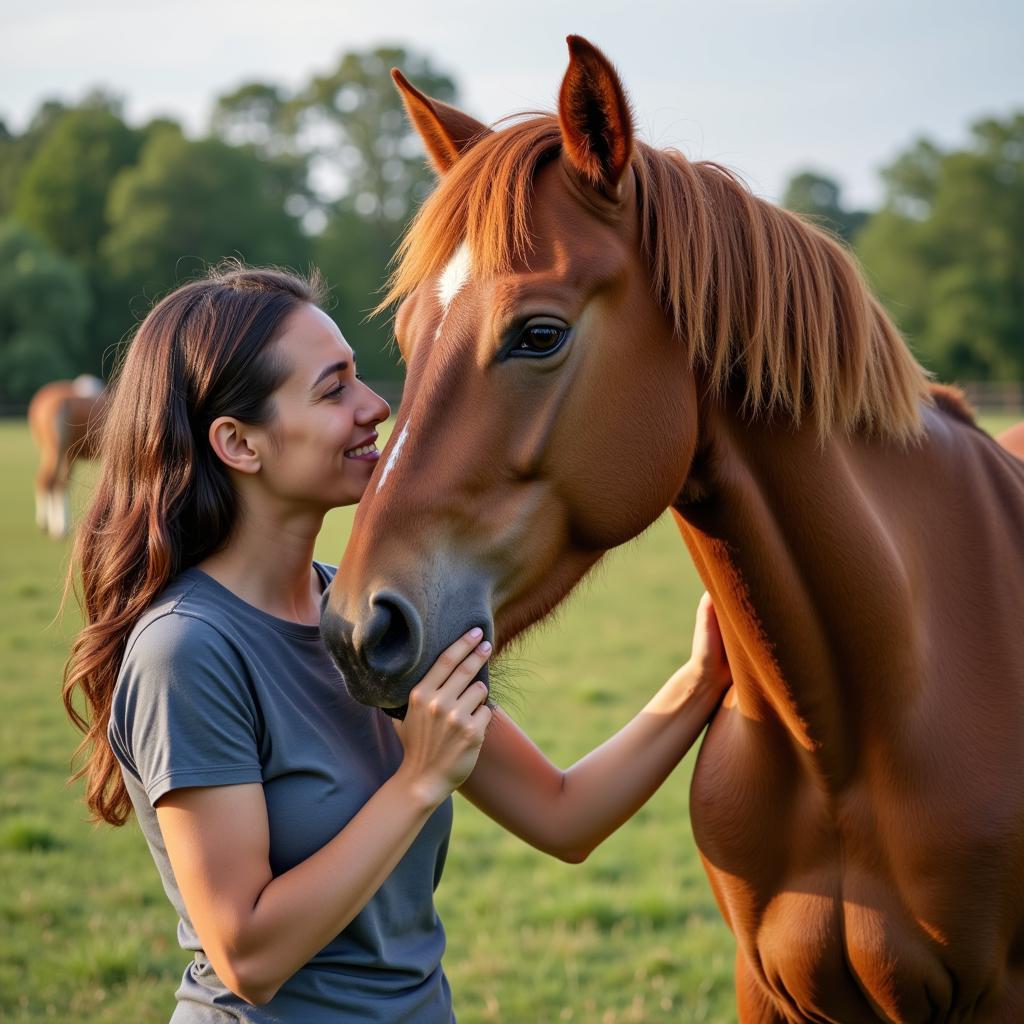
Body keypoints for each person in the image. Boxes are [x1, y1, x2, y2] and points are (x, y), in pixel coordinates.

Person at [63, 264, 732, 1023]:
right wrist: (417, 782)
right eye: (333, 388)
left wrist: (702, 678)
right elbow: (247, 955)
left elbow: (563, 813)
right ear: (240, 443)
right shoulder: (187, 650)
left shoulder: (367, 624)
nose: (376, 406)